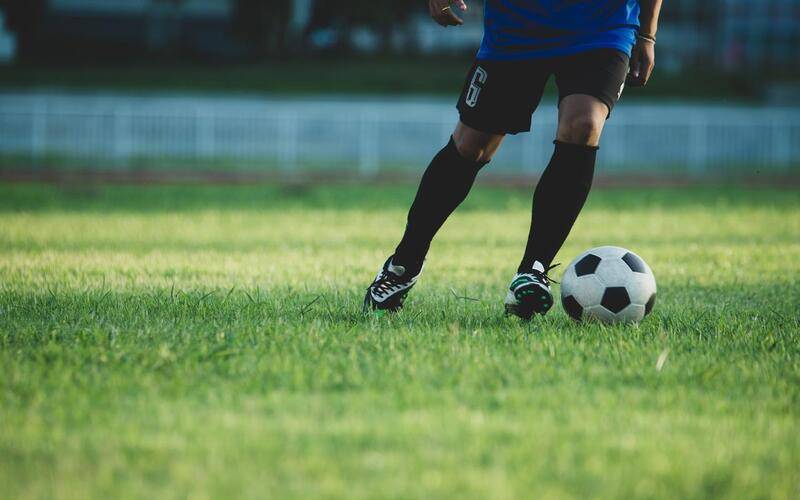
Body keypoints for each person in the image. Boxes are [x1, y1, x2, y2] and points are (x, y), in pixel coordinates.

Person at [364, 0, 662, 319]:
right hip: (518, 24)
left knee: (584, 124)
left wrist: (647, 34)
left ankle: (532, 271)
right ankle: (403, 264)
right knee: (472, 145)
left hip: (602, 24)